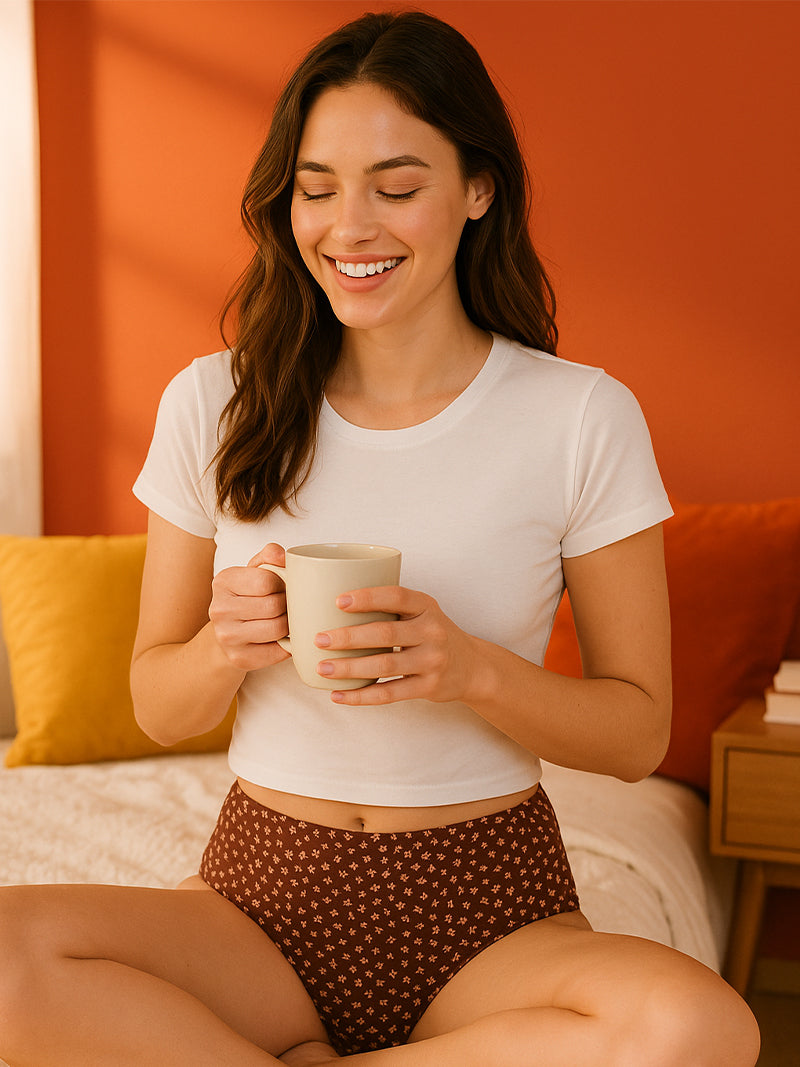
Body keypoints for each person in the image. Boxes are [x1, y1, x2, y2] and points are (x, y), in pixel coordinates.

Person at [0, 11, 759, 1066]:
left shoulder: (577, 414)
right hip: (260, 896)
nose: (348, 227)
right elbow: (155, 704)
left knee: (699, 1025)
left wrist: (472, 670)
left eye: (396, 187)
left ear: (476, 189)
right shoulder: (213, 402)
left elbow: (635, 731)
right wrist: (225, 644)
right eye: (317, 188)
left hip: (489, 911)